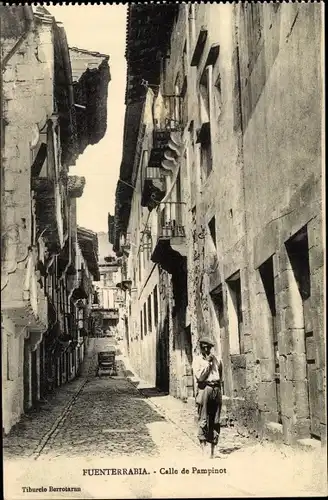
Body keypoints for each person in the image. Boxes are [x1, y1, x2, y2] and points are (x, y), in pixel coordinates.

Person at [192, 336, 223, 458]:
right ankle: (203, 449)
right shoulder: (197, 361)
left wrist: (219, 389)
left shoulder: (217, 359)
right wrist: (208, 364)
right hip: (205, 388)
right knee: (204, 419)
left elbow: (220, 374)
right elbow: (200, 377)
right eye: (204, 348)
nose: (207, 350)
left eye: (209, 348)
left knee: (215, 420)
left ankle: (213, 450)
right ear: (201, 348)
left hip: (216, 389)